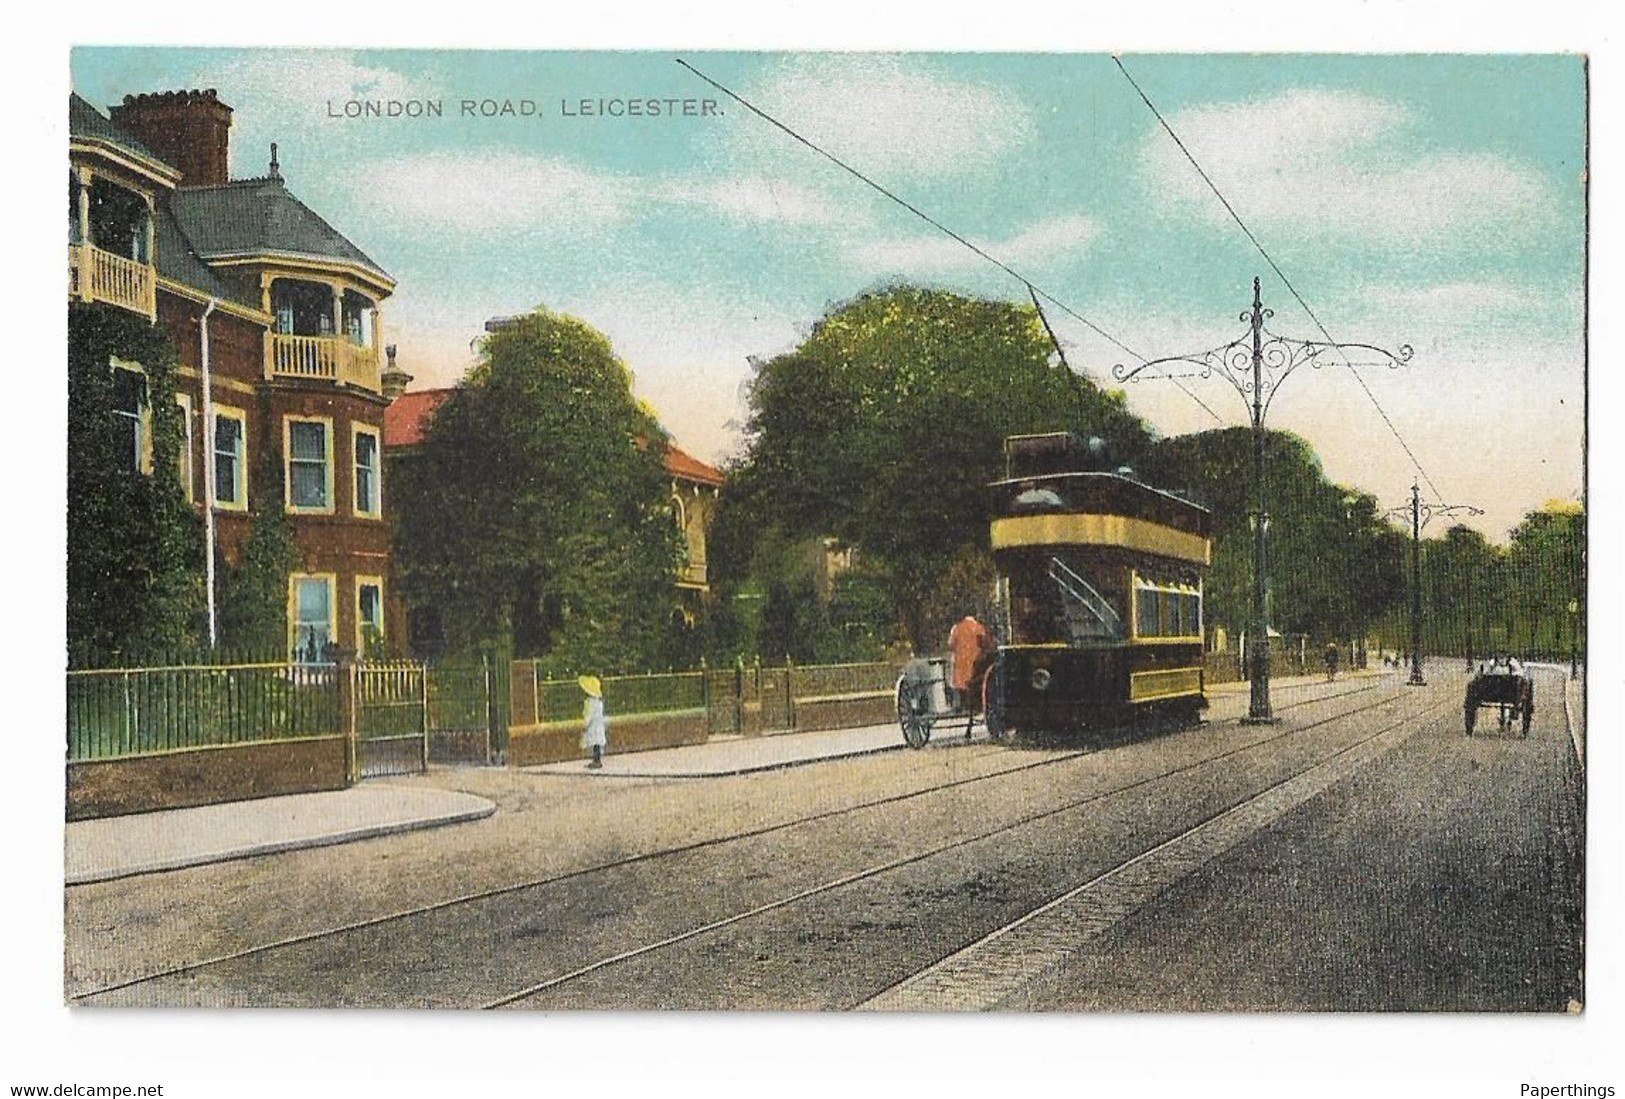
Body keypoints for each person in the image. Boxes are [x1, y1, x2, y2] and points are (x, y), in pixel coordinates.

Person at [949, 613, 998, 734]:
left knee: (959, 679)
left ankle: (959, 704)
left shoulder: (956, 628)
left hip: (961, 662)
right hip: (975, 662)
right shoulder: (977, 627)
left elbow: (951, 645)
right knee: (971, 678)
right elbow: (984, 643)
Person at [579, 675, 607, 769]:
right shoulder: (599, 702)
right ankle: (597, 760)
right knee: (597, 743)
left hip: (593, 725)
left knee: (594, 742)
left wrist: (585, 724)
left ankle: (596, 761)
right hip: (599, 724)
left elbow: (588, 715)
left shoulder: (590, 702)